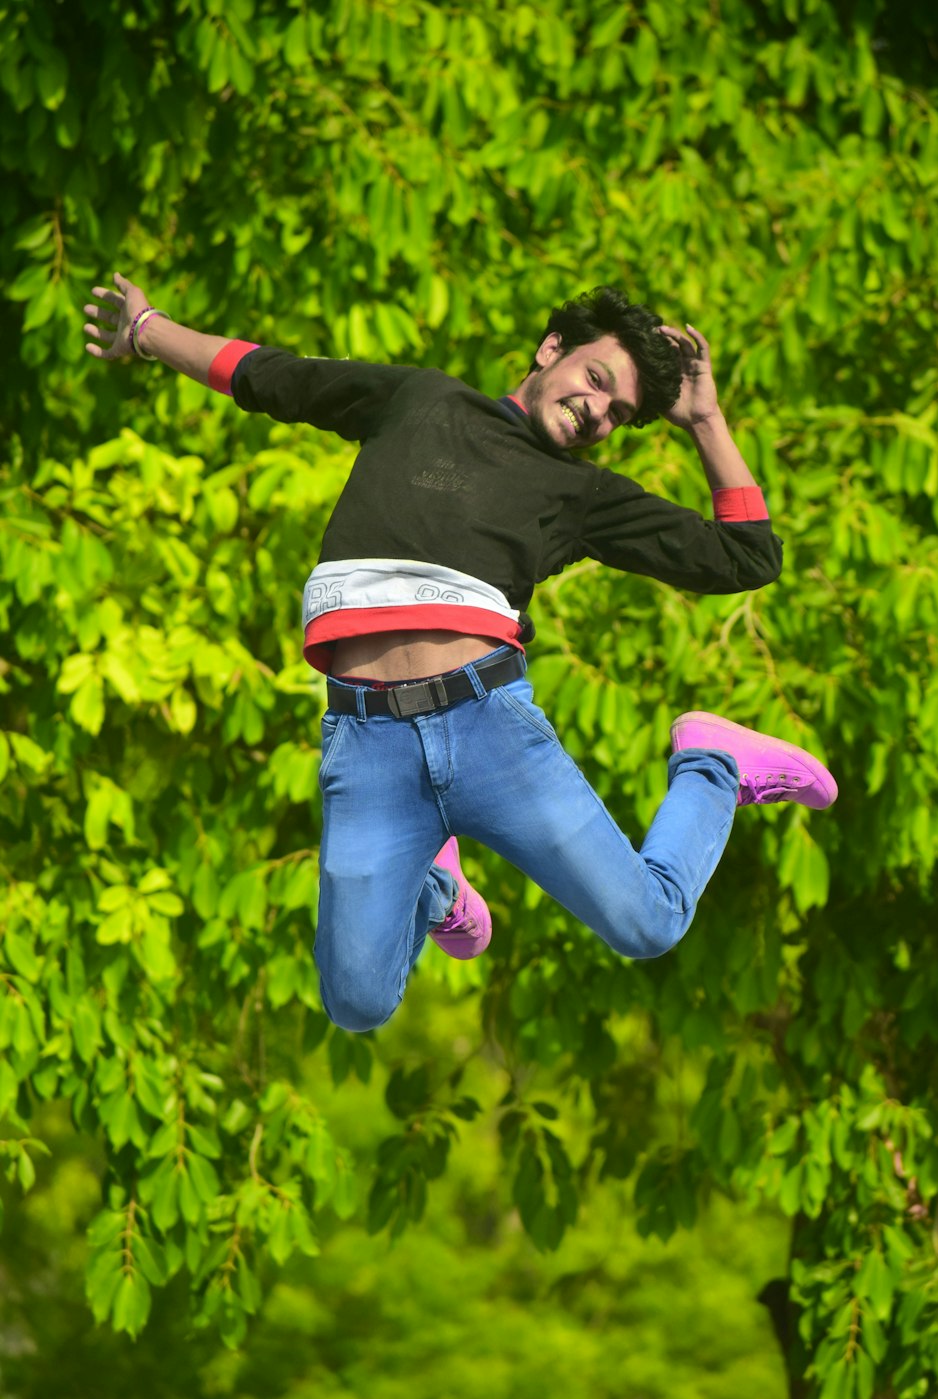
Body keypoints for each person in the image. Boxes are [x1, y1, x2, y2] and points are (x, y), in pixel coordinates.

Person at [84, 275, 837, 1034]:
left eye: (618, 414)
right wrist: (146, 327)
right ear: (551, 350)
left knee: (648, 925)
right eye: (595, 380)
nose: (596, 410)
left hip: (490, 733)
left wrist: (705, 421)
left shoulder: (581, 496)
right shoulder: (422, 401)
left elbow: (747, 557)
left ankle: (714, 765)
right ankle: (437, 889)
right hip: (368, 746)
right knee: (357, 1003)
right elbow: (268, 375)